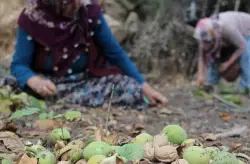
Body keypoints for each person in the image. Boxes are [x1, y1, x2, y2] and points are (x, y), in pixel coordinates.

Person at [8, 0, 168, 110]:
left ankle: (58, 101)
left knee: (131, 90)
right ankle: (51, 99)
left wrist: (145, 87)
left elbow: (115, 54)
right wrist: (34, 81)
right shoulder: (31, 18)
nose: (77, 3)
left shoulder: (88, 11)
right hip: (50, 82)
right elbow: (18, 64)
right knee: (9, 85)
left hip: (86, 82)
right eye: (70, 1)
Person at [194, 11, 250, 94]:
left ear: (213, 34)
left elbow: (242, 46)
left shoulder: (226, 29)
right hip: (231, 33)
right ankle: (210, 84)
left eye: (207, 41)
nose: (205, 43)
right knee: (214, 57)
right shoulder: (204, 34)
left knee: (245, 57)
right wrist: (200, 75)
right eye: (203, 41)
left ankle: (247, 89)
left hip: (248, 28)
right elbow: (202, 56)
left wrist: (228, 63)